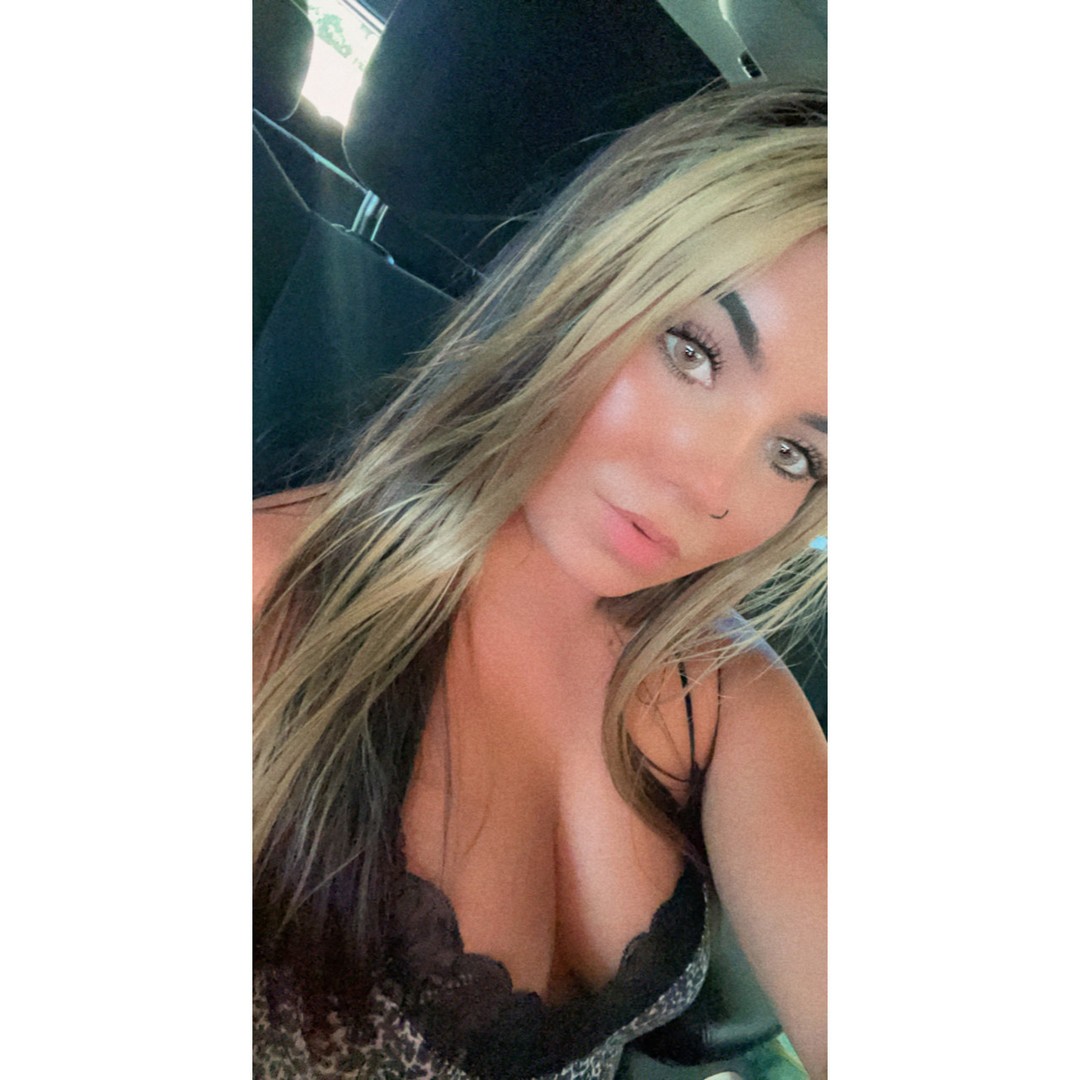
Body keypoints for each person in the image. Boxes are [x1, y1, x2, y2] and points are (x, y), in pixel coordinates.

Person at [253, 84, 828, 1080]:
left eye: (795, 457)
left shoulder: (732, 692)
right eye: (693, 352)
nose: (708, 489)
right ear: (587, 278)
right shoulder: (258, 592)